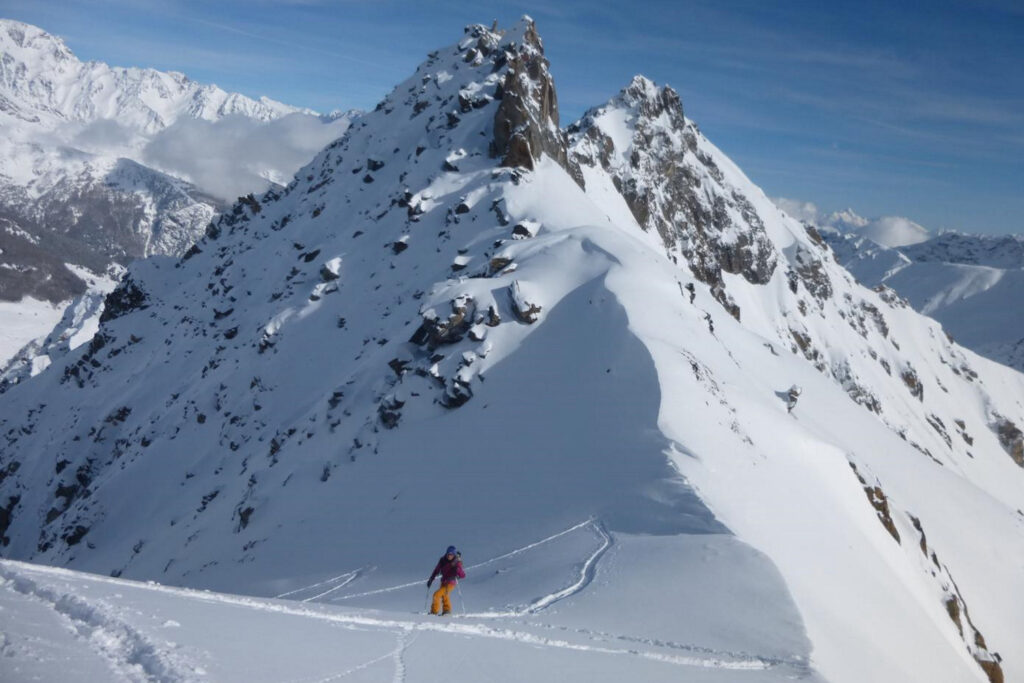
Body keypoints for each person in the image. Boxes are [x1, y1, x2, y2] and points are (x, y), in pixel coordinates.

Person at [427, 545, 465, 615]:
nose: (449, 556)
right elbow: (436, 570)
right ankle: (447, 611)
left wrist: (458, 570)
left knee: (436, 595)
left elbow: (463, 575)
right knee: (445, 596)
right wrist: (431, 579)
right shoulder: (442, 560)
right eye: (448, 554)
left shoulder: (457, 562)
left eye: (451, 554)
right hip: (443, 582)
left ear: (454, 554)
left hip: (451, 583)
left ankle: (434, 612)